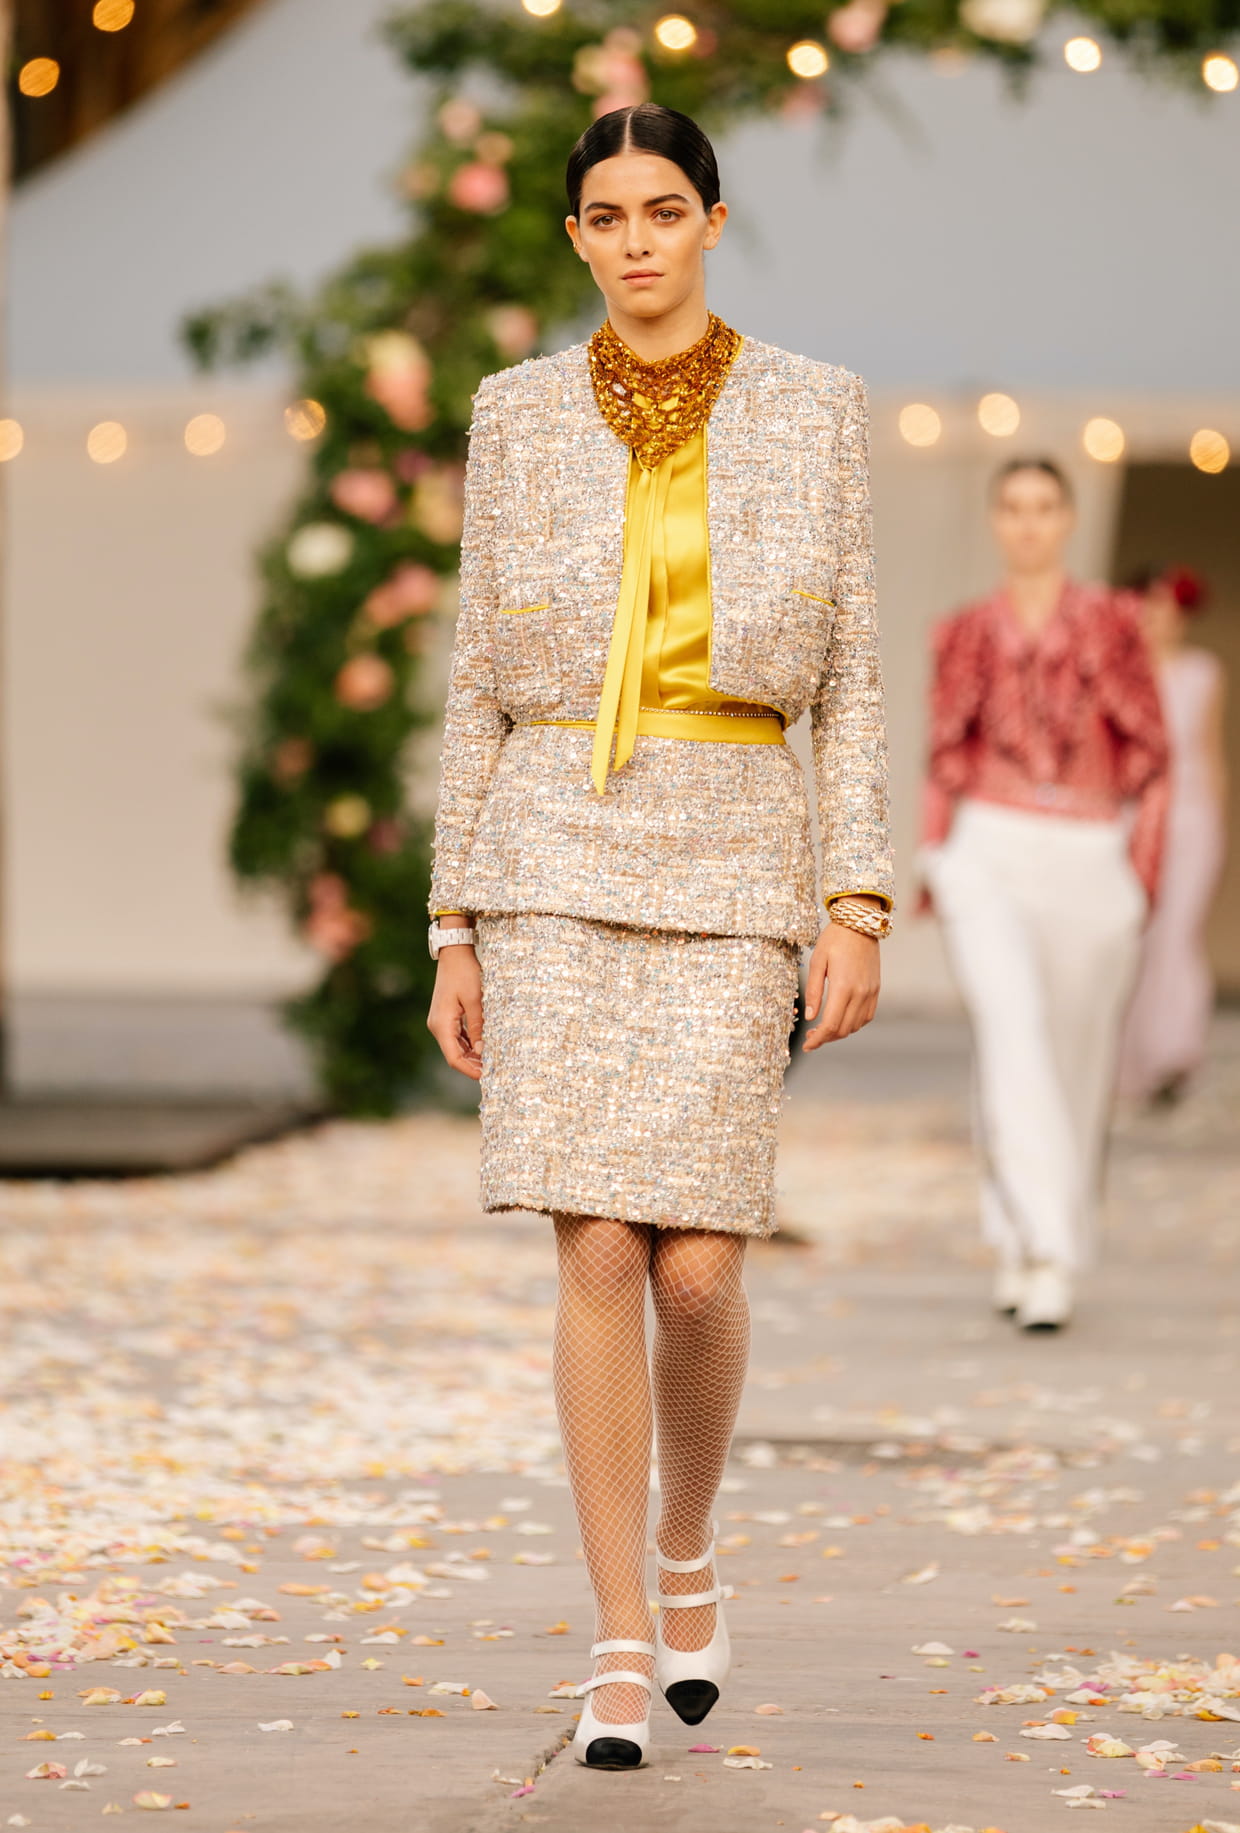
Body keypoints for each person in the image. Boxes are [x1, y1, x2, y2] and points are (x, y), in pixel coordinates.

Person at [426, 103, 893, 1770]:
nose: (637, 239)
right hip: (552, 847)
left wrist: (856, 899)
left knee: (697, 1268)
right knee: (596, 1249)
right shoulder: (515, 413)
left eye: (665, 209)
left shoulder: (816, 409)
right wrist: (453, 918)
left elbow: (851, 683)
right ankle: (621, 1630)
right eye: (608, 214)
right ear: (576, 236)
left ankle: (687, 1536)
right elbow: (477, 675)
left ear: (713, 222)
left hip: (737, 856)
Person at [918, 459, 1168, 1332]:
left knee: (1073, 1055)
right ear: (996, 519)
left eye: (1044, 506)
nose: (1028, 523)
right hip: (990, 844)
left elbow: (1153, 752)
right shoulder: (963, 631)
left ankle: (1029, 1240)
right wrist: (934, 857)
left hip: (1090, 848)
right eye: (1014, 507)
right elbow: (943, 751)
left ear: (1067, 518)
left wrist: (1142, 877)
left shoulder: (1115, 622)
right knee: (1011, 1029)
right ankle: (1045, 1249)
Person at [1119, 567, 1227, 1103]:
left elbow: (1209, 750)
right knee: (1131, 935)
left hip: (1189, 817)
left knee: (1178, 933)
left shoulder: (1202, 672)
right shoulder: (1119, 672)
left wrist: (1217, 822)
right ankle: (1126, 1060)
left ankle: (1173, 1054)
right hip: (1131, 817)